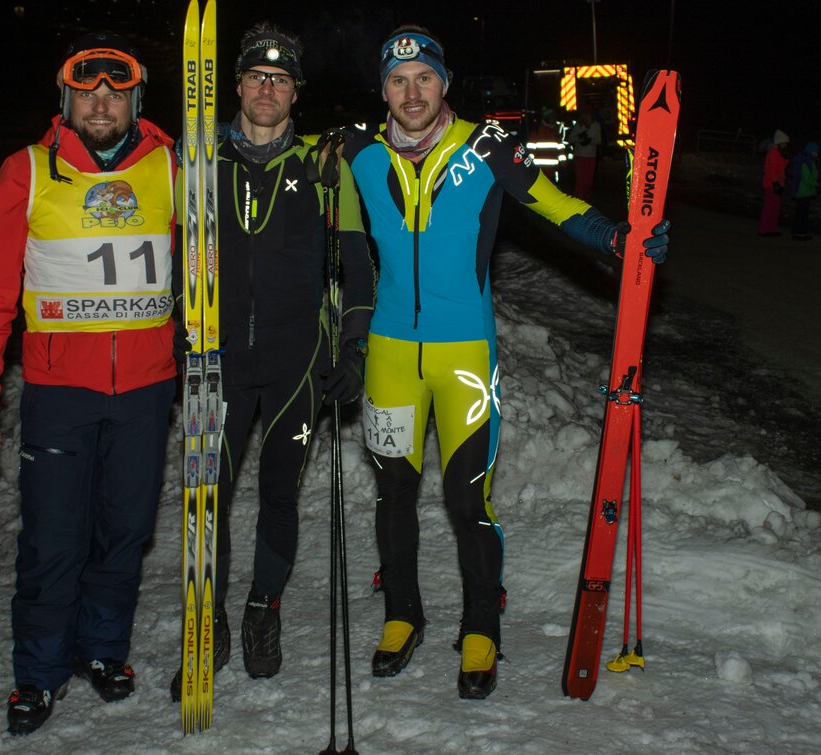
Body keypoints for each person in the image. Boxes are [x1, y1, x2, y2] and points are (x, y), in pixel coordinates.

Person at [334, 25, 670, 700]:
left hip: (463, 357)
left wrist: (617, 238)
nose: (411, 93)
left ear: (444, 84)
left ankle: (481, 627)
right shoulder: (356, 152)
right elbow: (340, 242)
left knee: (468, 499)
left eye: (424, 79)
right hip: (391, 355)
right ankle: (402, 615)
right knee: (393, 494)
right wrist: (348, 338)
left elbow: (553, 204)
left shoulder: (486, 146)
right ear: (383, 90)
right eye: (398, 81)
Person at [0, 32, 178, 736]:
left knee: (124, 532)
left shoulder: (172, 166)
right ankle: (39, 672)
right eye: (88, 93)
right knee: (54, 538)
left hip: (146, 389)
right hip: (59, 392)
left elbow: (209, 265)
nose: (101, 104)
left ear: (136, 101)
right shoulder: (26, 170)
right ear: (66, 99)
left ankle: (104, 649)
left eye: (116, 92)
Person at [169, 22, 374, 696]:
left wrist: (353, 347)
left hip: (297, 364)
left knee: (279, 493)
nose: (267, 89)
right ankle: (208, 622)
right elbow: (167, 257)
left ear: (295, 94)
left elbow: (357, 266)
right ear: (236, 85)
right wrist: (173, 329)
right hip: (217, 364)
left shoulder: (324, 167)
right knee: (208, 499)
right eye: (257, 76)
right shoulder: (197, 163)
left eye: (280, 80)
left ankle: (263, 608)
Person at [758, 129, 790, 236]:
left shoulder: (777, 153)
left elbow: (781, 167)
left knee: (775, 208)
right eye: (784, 143)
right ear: (780, 143)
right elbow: (771, 170)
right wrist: (775, 183)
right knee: (769, 208)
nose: (786, 145)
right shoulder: (773, 153)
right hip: (772, 184)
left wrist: (785, 157)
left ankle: (771, 229)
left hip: (776, 183)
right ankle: (764, 229)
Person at [567, 104, 603, 200]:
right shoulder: (578, 125)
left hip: (591, 156)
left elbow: (598, 140)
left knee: (588, 180)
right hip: (579, 155)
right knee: (580, 179)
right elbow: (570, 139)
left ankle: (586, 198)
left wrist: (589, 140)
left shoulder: (596, 126)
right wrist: (580, 138)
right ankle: (579, 198)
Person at [789, 142, 820, 240]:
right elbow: (807, 178)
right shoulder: (805, 162)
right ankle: (800, 233)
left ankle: (796, 231)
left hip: (803, 191)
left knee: (800, 212)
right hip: (803, 191)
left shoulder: (807, 161)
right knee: (802, 214)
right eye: (815, 152)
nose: (817, 153)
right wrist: (817, 184)